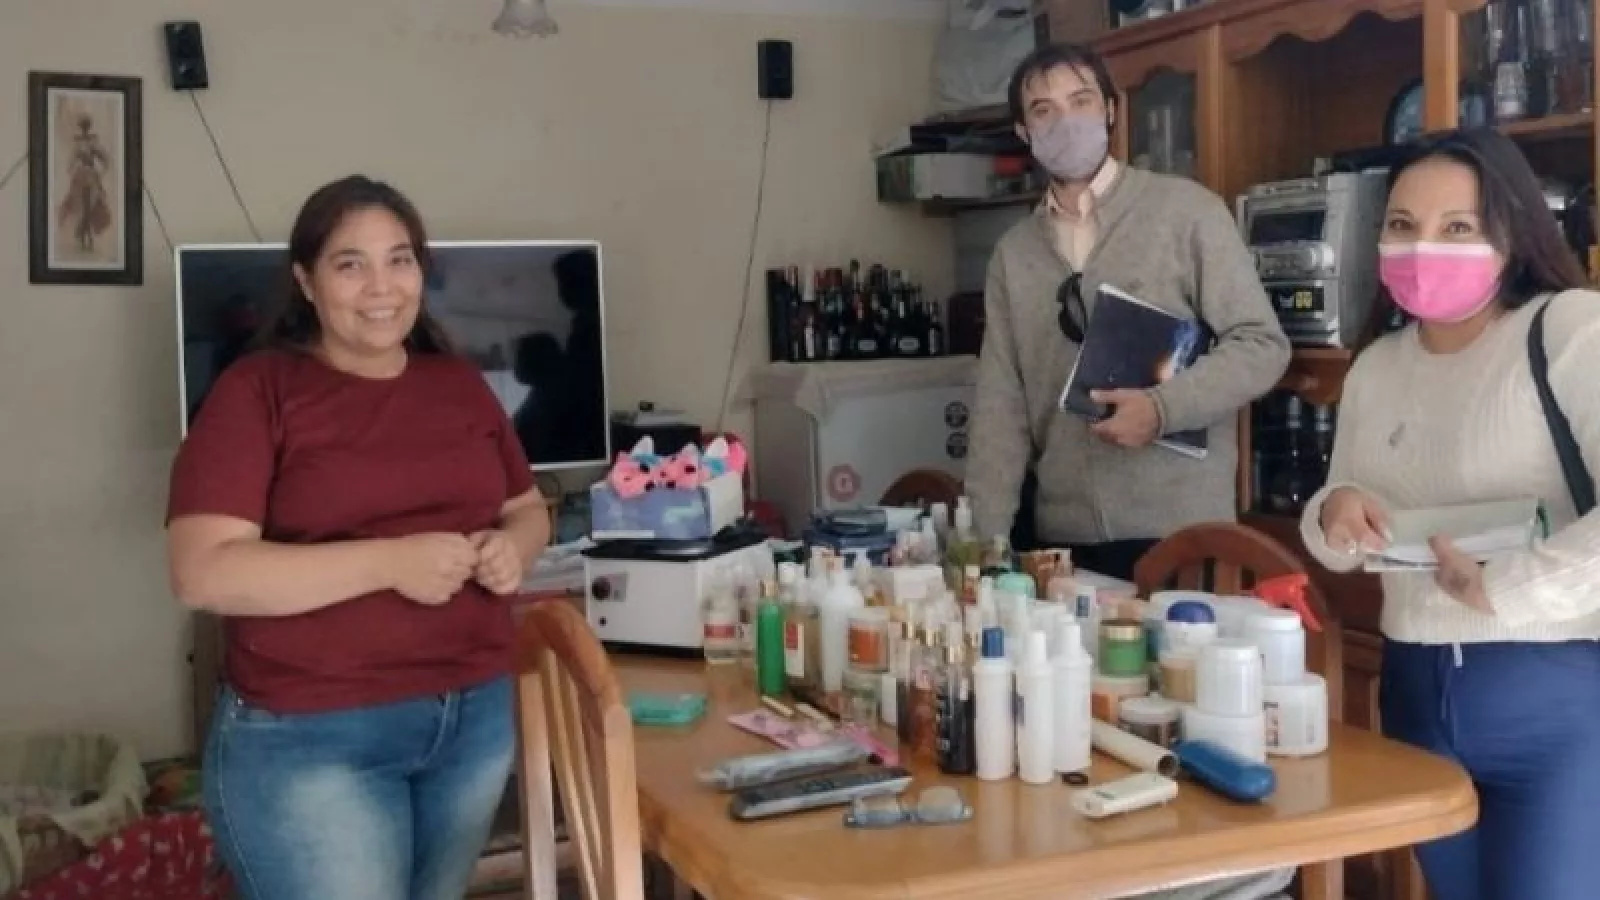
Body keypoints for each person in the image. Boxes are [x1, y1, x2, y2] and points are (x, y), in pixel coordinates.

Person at [165, 175, 551, 900]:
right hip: (313, 734)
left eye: (399, 259)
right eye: (350, 263)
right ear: (305, 281)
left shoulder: (458, 385)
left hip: (472, 722)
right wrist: (391, 563)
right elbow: (203, 572)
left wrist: (515, 549)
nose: (381, 286)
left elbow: (529, 508)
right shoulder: (257, 391)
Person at [1299, 127, 1600, 900]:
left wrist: (1505, 586)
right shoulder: (1377, 365)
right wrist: (1335, 512)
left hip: (1556, 704)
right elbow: (1339, 515)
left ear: (1512, 232)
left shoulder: (1567, 329)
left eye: (1457, 226)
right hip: (1414, 701)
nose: (1422, 246)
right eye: (1402, 225)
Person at [967, 42, 1290, 581]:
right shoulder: (1013, 254)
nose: (1066, 121)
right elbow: (1001, 408)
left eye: (1081, 100)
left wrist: (1163, 408)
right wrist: (986, 547)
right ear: (1024, 132)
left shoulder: (1188, 212)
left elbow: (1262, 346)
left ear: (1111, 110)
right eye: (1044, 110)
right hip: (1065, 539)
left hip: (1181, 531)